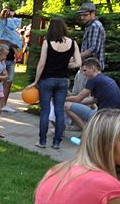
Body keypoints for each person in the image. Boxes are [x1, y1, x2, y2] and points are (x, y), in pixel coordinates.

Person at [28, 18, 81, 149]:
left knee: (45, 111)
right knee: (59, 111)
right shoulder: (73, 43)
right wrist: (66, 66)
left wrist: (35, 81)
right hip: (63, 81)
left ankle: (42, 141)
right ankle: (57, 142)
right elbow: (79, 63)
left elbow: (41, 64)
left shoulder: (47, 43)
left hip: (47, 80)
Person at [64, 57, 120, 130]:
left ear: (93, 69)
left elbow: (78, 98)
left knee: (66, 106)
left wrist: (62, 99)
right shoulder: (106, 79)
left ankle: (87, 132)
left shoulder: (93, 80)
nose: (83, 73)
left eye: (85, 70)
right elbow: (93, 100)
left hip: (105, 117)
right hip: (117, 116)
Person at [0, 7, 22, 113]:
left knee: (9, 82)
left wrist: (14, 46)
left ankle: (3, 104)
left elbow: (15, 40)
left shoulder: (12, 27)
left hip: (10, 58)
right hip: (1, 58)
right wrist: (11, 44)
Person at [73, 2, 106, 94]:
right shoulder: (90, 26)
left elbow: (93, 49)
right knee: (79, 96)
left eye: (85, 15)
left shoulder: (95, 26)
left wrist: (76, 58)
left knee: (83, 99)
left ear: (93, 13)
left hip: (91, 70)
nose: (82, 17)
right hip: (87, 68)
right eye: (81, 15)